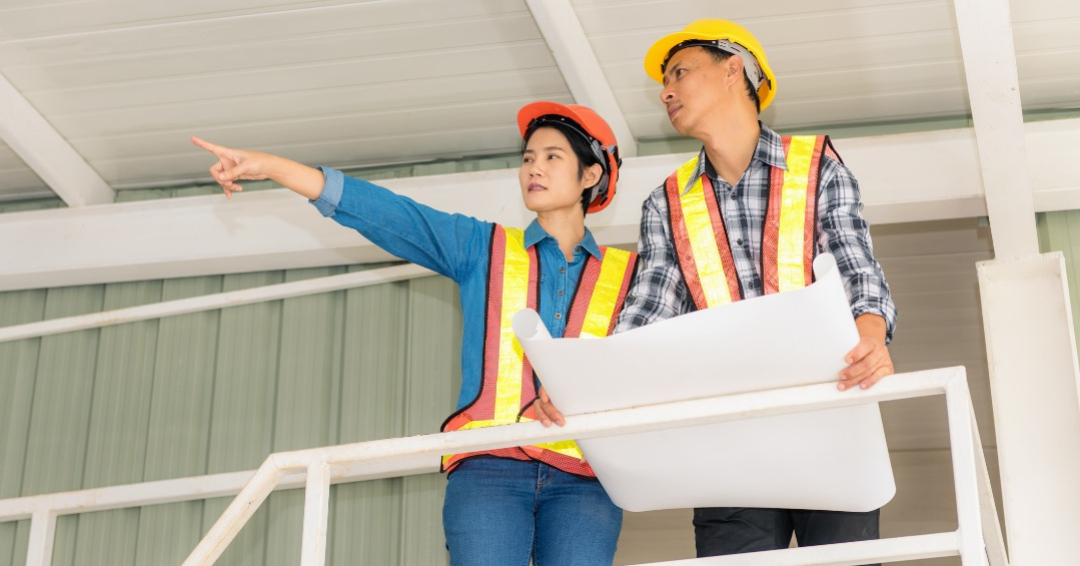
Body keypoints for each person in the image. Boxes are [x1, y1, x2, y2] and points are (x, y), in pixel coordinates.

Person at [192, 101, 637, 566]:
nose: (533, 169)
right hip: (488, 468)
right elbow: (389, 214)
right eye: (527, 158)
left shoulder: (633, 275)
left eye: (551, 157)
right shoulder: (482, 247)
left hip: (586, 480)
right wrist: (271, 167)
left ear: (591, 176)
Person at [613, 18, 896, 562]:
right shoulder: (664, 204)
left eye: (679, 72)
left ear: (732, 70)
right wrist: (593, 382)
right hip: (727, 442)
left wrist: (870, 339)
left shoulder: (819, 169)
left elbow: (857, 268)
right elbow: (646, 311)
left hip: (828, 419)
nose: (665, 91)